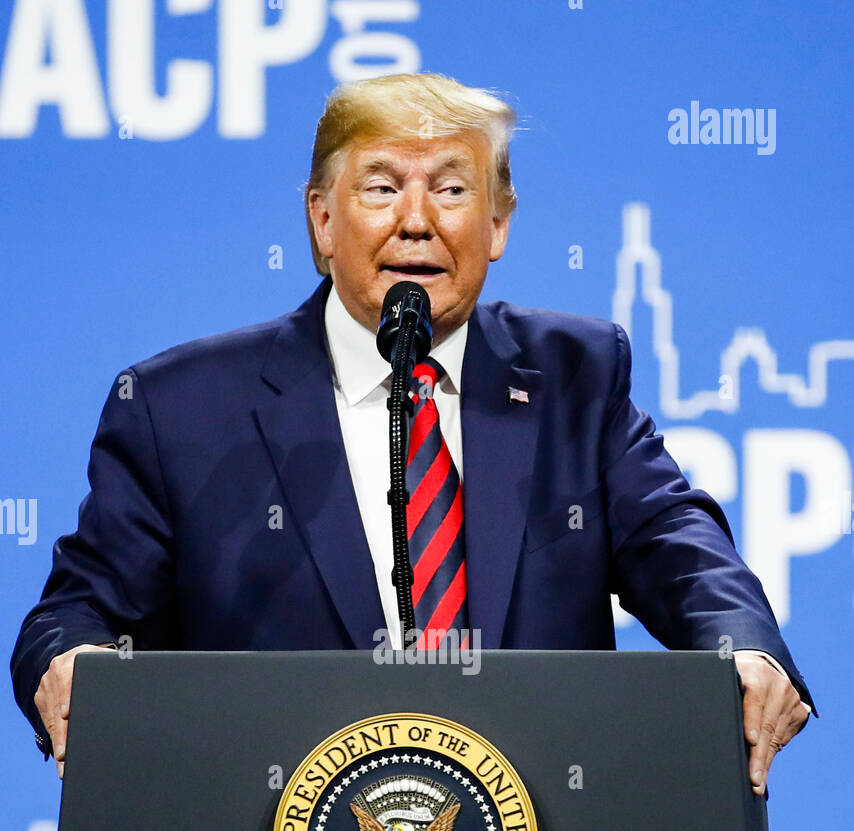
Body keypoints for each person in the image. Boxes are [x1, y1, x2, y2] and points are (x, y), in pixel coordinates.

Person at [11, 72, 812, 789]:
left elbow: (676, 541)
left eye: (454, 190)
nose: (418, 221)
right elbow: (80, 611)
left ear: (499, 224)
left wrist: (743, 645)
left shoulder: (575, 375)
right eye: (382, 187)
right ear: (322, 221)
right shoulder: (179, 408)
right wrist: (71, 663)